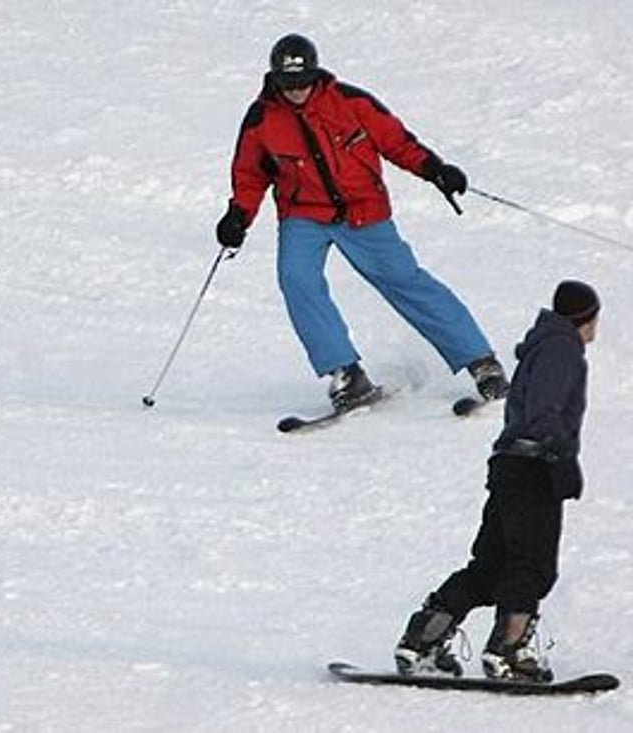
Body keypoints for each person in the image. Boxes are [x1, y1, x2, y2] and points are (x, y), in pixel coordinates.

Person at [217, 33, 508, 410]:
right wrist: (238, 215)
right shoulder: (261, 119)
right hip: (303, 214)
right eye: (288, 84)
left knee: (405, 281)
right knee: (296, 279)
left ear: (316, 74)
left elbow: (397, 143)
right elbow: (250, 175)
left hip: (363, 210)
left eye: (303, 82)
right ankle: (346, 373)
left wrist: (435, 170)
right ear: (275, 79)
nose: (297, 91)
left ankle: (481, 362)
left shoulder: (350, 101)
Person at [393, 280, 600, 681]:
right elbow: (543, 409)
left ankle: (422, 640)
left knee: (491, 565)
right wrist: (558, 453)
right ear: (585, 319)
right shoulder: (562, 350)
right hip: (533, 465)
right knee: (532, 565)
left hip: (509, 463)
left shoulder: (544, 344)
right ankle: (508, 650)